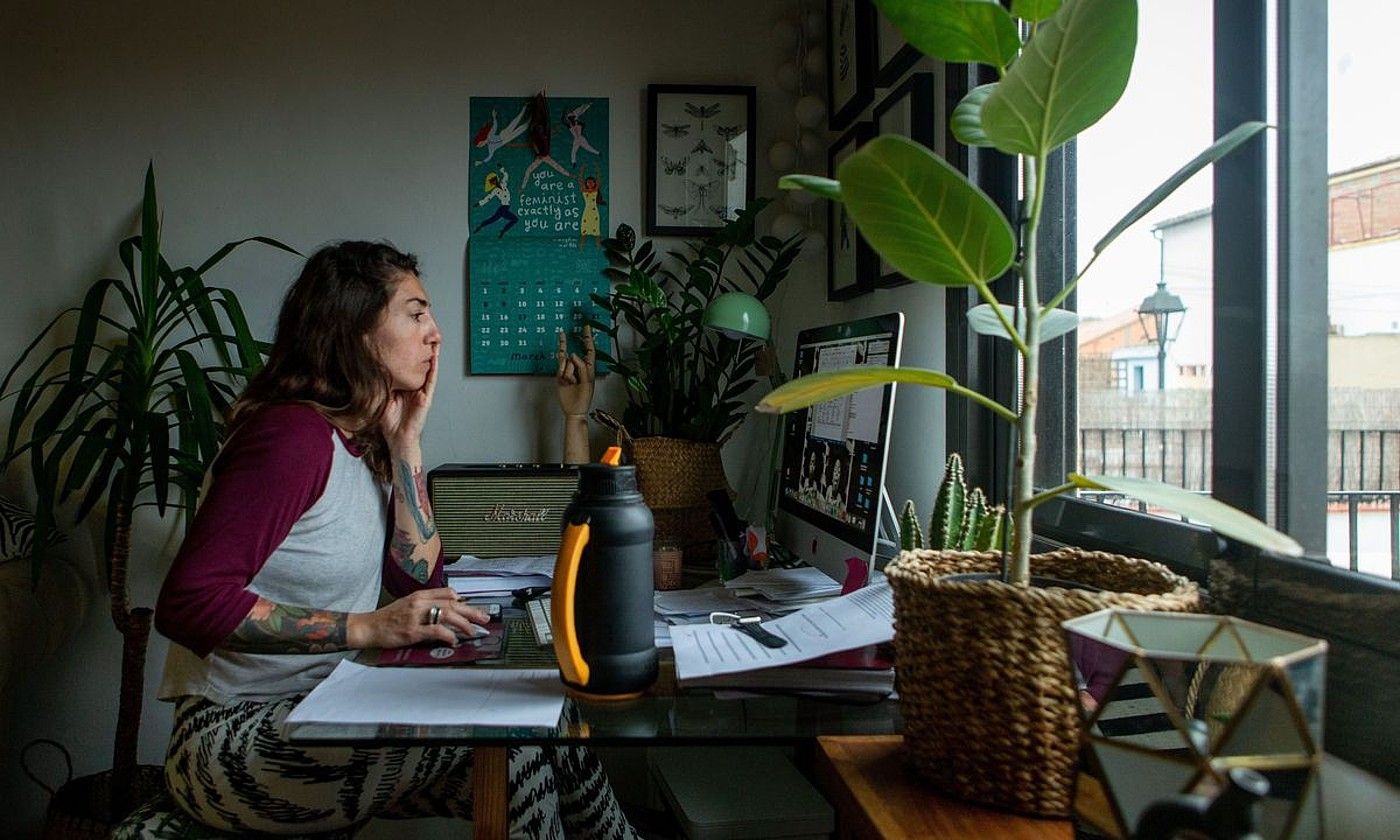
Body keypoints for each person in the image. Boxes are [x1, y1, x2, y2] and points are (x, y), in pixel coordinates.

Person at [154, 242, 638, 838]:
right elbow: (188, 603)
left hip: (322, 709)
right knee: (521, 734)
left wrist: (408, 442)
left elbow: (420, 585)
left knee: (538, 743)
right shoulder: (290, 439)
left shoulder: (361, 443)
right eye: (415, 314)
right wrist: (366, 627)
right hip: (233, 740)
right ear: (357, 330)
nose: (435, 334)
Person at [475, 165, 519, 239]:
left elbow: (506, 175)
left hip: (505, 207)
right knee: (514, 219)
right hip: (503, 208)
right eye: (493, 182)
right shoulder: (495, 191)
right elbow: (488, 198)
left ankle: (481, 226)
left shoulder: (503, 184)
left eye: (495, 180)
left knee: (493, 219)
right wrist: (479, 203)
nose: (495, 182)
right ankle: (502, 231)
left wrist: (501, 168)